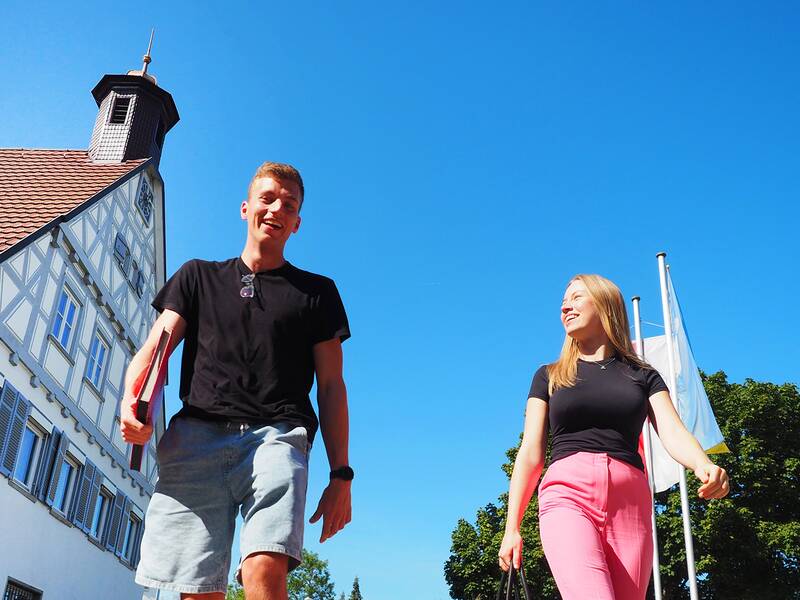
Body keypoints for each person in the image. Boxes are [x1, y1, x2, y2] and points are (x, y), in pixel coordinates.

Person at [121, 162, 353, 600]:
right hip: (195, 437)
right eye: (267, 198)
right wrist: (130, 404)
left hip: (277, 437)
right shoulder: (197, 276)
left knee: (265, 569)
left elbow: (332, 386)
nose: (276, 208)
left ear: (297, 223)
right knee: (196, 590)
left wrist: (342, 474)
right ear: (246, 208)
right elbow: (155, 347)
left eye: (289, 204)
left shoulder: (318, 293)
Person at [499, 274, 729, 600]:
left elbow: (673, 431)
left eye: (577, 297)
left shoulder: (643, 375)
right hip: (568, 495)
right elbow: (531, 453)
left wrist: (702, 463)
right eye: (564, 301)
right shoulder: (548, 376)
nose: (566, 306)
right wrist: (512, 528)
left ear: (605, 305)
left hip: (631, 505)